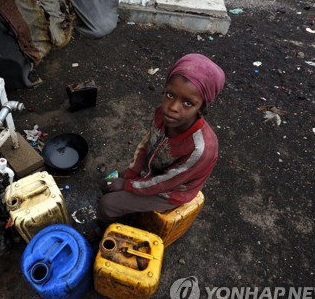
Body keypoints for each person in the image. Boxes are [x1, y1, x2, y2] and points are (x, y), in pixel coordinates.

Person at [95, 53, 225, 234]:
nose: (173, 107)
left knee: (107, 205)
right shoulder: (162, 115)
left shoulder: (200, 148)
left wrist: (126, 185)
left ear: (202, 108)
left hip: (171, 191)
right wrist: (131, 174)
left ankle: (104, 232)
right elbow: (146, 145)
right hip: (153, 170)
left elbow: (166, 182)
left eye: (188, 103)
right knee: (107, 182)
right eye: (170, 94)